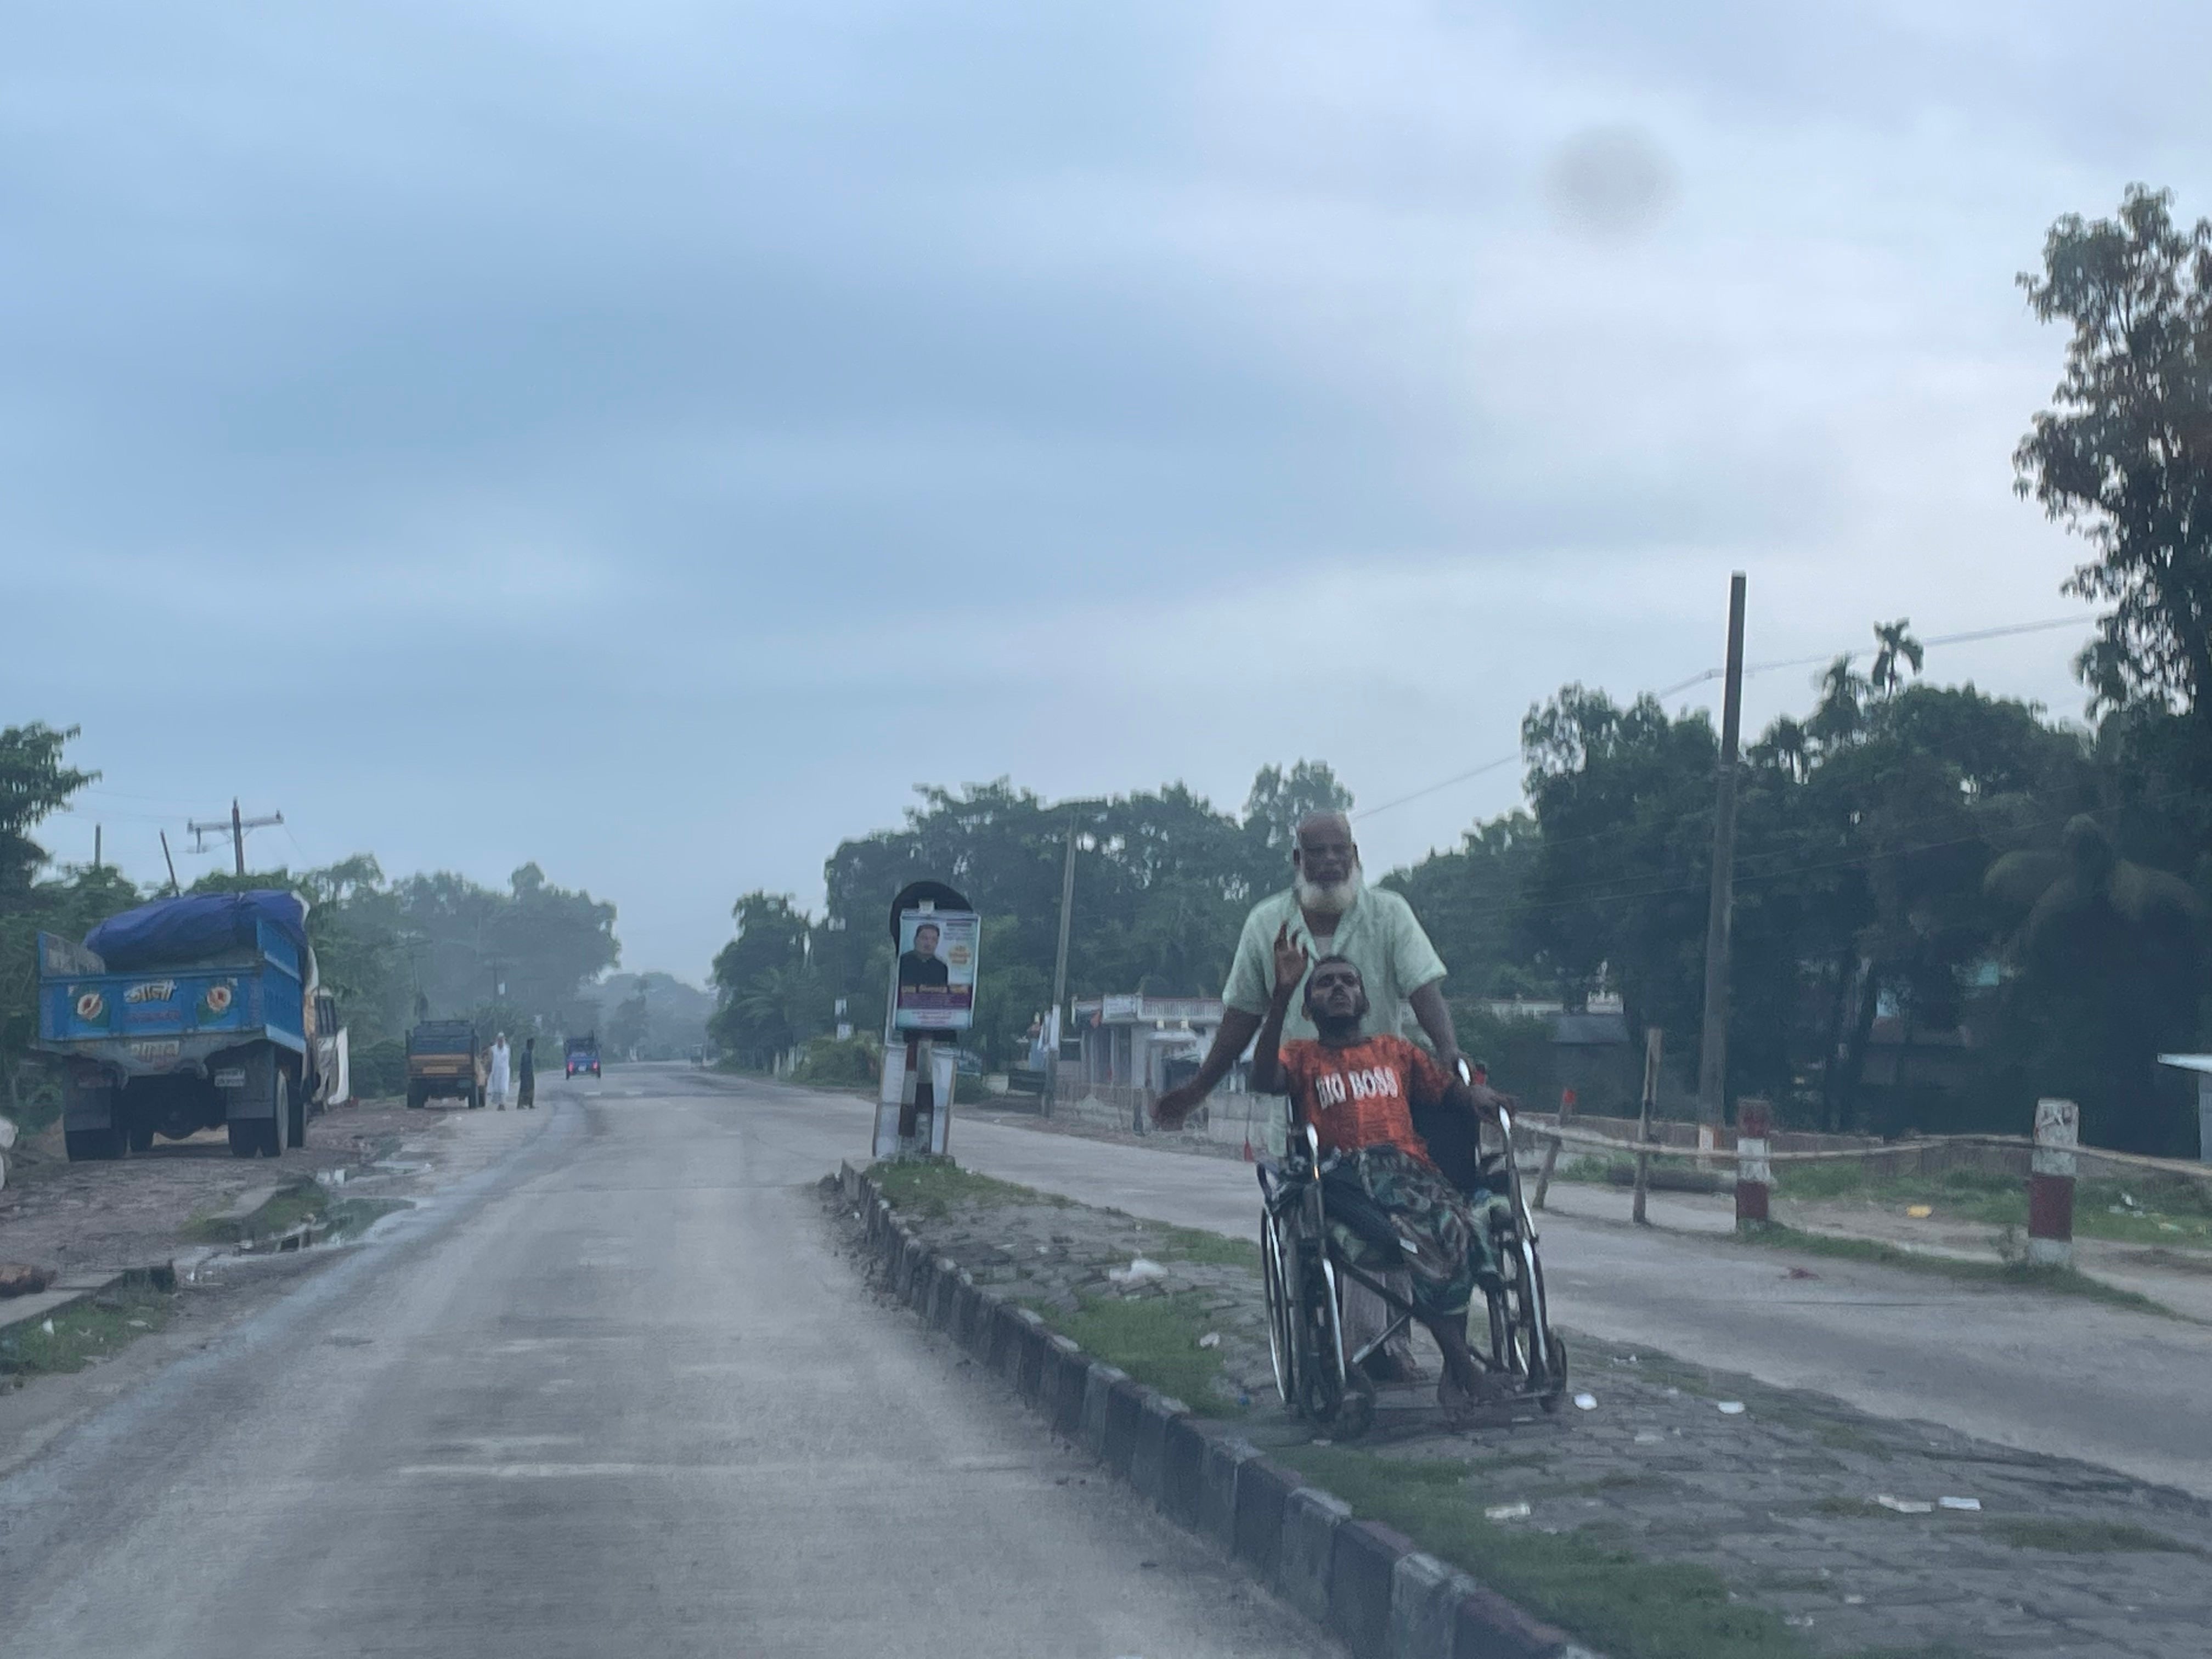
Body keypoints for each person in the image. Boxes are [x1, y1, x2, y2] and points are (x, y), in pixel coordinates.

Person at [1153, 809, 1460, 1380]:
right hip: (1302, 1118)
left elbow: (1424, 988)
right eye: (1314, 853)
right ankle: (1329, 1352)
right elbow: (1241, 1017)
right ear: (1297, 861)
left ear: (1355, 854)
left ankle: (1390, 1350)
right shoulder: (1266, 923)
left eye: (1338, 850)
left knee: (1407, 1214)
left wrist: (1450, 1054)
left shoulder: (1389, 914)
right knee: (1317, 1233)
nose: (1328, 862)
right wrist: (1198, 1089)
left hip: (1384, 1113)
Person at [1249, 934, 1508, 1420]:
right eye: (1325, 984)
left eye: (1349, 982)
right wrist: (1280, 995)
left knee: (1462, 1226)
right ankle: (1462, 1367)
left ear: (1365, 1000)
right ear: (1309, 1008)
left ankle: (1458, 1370)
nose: (1339, 989)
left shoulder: (1397, 1051)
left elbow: (1446, 1091)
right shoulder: (1302, 1055)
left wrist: (1475, 1094)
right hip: (1345, 1176)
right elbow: (1262, 1080)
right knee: (1413, 1238)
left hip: (1411, 1172)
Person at [898, 923, 952, 990]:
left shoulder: (941, 967)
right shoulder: (902, 962)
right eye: (924, 938)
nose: (929, 943)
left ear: (937, 943)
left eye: (933, 940)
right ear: (915, 940)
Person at [487, 1032, 512, 1111]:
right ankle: (499, 1104)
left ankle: (502, 1104)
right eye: (499, 1039)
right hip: (496, 1071)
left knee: (503, 1087)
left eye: (502, 1039)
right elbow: (490, 1060)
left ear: (504, 1040)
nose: (501, 1041)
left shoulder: (507, 1049)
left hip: (504, 1071)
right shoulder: (493, 1049)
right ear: (497, 1040)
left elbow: (508, 1060)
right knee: (496, 1088)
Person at [518, 1035, 537, 1110]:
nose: (533, 1046)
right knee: (524, 1090)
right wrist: (526, 1075)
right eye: (532, 1044)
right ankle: (521, 1105)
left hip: (529, 1074)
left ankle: (530, 1104)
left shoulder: (529, 1053)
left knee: (531, 1090)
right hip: (526, 1075)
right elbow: (525, 1066)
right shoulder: (526, 1053)